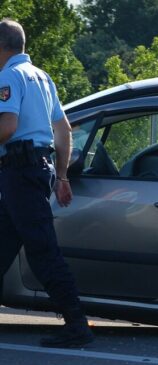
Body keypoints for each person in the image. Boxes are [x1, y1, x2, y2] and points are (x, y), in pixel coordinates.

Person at [0, 19, 94, 347]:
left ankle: (77, 324)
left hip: (20, 173)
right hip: (35, 171)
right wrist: (62, 175)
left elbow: (8, 127)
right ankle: (76, 322)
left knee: (43, 251)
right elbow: (64, 130)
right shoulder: (42, 77)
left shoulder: (9, 76)